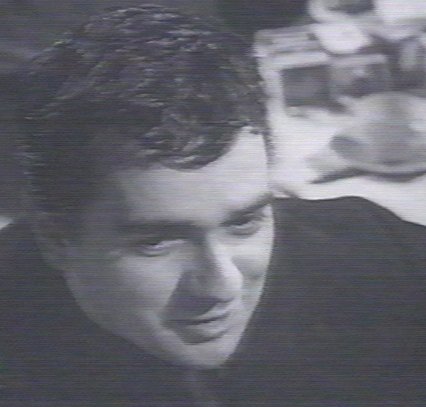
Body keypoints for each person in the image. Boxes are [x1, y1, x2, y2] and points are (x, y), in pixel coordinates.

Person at [1, 4, 426, 406]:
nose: (222, 286)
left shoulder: (378, 257)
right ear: (57, 239)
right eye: (156, 242)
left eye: (245, 222)